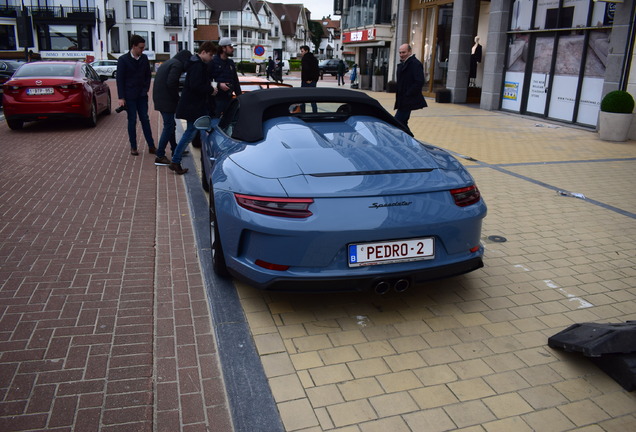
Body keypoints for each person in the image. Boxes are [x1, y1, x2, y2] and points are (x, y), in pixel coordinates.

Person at [169, 42, 218, 175]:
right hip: (193, 106)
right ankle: (175, 160)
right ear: (203, 52)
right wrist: (210, 89)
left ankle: (175, 160)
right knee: (190, 132)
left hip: (192, 105)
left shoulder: (195, 63)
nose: (211, 58)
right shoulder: (197, 65)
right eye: (210, 54)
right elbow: (196, 85)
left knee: (192, 131)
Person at [116, 34, 156, 156]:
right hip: (129, 97)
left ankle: (151, 146)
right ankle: (133, 147)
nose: (142, 50)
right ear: (134, 46)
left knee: (145, 119)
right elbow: (120, 79)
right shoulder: (123, 60)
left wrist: (145, 89)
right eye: (140, 47)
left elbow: (148, 76)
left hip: (142, 96)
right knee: (132, 121)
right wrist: (121, 97)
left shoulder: (144, 59)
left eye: (143, 47)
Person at [152, 49, 191, 166]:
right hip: (166, 100)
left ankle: (175, 149)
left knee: (171, 125)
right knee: (168, 126)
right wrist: (177, 99)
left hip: (161, 98)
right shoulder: (177, 65)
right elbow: (171, 83)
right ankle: (160, 155)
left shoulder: (171, 62)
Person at [394, 43, 427, 130]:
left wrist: (408, 93)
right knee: (402, 123)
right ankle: (409, 141)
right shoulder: (403, 64)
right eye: (400, 53)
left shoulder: (415, 64)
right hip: (403, 99)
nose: (401, 55)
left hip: (408, 99)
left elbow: (419, 81)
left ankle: (409, 141)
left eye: (403, 52)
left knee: (397, 122)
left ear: (409, 52)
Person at [209, 37, 242, 117]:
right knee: (215, 122)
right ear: (223, 48)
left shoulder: (230, 62)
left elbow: (235, 81)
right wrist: (219, 85)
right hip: (216, 99)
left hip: (229, 98)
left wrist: (240, 97)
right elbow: (207, 79)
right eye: (230, 47)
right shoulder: (213, 62)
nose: (232, 49)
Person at [300, 45, 319, 112]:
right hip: (313, 81)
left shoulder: (305, 59)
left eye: (302, 51)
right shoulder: (314, 59)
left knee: (302, 99)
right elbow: (316, 70)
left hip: (306, 81)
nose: (301, 53)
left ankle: (302, 113)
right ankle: (315, 113)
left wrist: (308, 79)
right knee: (313, 99)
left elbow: (306, 69)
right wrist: (314, 79)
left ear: (306, 51)